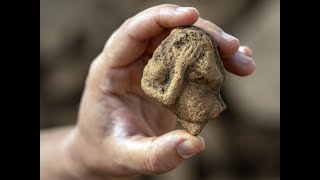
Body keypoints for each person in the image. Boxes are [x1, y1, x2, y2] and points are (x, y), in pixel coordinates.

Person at [40, 4, 255, 180]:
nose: (186, 48)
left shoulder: (197, 48)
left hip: (206, 106)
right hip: (191, 109)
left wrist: (200, 68)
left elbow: (217, 78)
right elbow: (163, 94)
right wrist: (180, 69)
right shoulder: (163, 63)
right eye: (179, 45)